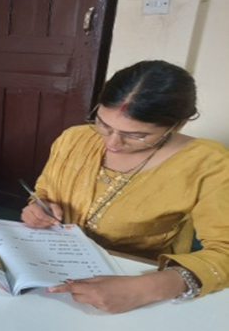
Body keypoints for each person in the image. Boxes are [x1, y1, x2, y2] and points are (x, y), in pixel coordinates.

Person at [20, 60, 229, 313]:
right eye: (103, 124)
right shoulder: (74, 138)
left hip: (136, 275)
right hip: (53, 265)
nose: (113, 143)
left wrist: (145, 288)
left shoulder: (209, 163)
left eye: (136, 135)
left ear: (179, 124)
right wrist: (37, 208)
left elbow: (224, 250)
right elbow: (44, 191)